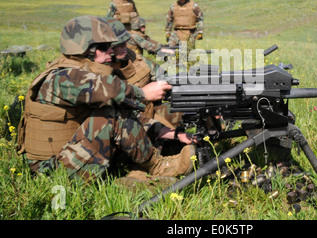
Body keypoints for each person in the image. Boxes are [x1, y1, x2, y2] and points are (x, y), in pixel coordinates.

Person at [17, 15, 195, 181]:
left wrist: (174, 133)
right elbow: (108, 92)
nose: (111, 51)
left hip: (67, 155)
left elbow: (129, 117)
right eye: (104, 47)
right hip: (49, 170)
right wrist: (142, 93)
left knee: (115, 111)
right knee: (111, 114)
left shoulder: (80, 71)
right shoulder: (63, 77)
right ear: (87, 49)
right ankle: (159, 167)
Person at [106, 17, 187, 153]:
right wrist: (142, 94)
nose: (125, 47)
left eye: (125, 43)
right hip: (122, 123)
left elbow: (163, 75)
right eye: (119, 45)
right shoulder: (98, 71)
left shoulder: (133, 57)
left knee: (179, 109)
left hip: (147, 114)